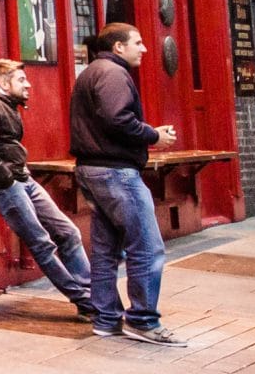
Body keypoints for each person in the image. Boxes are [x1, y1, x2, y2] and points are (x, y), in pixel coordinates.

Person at [71, 23, 183, 345]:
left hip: (94, 170)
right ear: (118, 47)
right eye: (138, 42)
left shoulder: (93, 71)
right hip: (116, 173)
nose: (144, 48)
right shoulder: (113, 73)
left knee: (106, 251)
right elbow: (117, 118)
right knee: (147, 246)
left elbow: (109, 118)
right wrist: (154, 136)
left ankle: (106, 319)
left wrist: (147, 131)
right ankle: (143, 321)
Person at [0, 59, 92, 317]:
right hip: (7, 185)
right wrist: (6, 178)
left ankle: (91, 295)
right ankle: (87, 301)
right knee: (42, 243)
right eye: (21, 80)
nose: (29, 84)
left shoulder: (4, 105)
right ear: (3, 82)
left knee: (67, 232)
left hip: (22, 180)